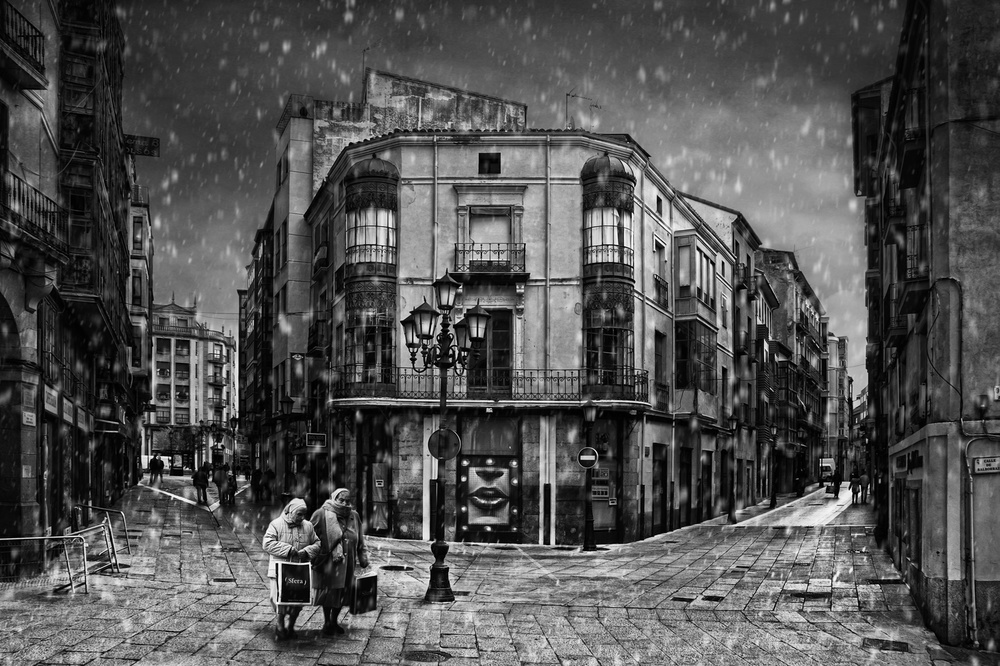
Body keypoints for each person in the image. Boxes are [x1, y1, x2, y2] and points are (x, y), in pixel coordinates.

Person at [310, 488, 369, 636]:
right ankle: (327, 622)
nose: (344, 503)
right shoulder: (321, 514)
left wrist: (363, 557)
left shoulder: (354, 515)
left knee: (343, 592)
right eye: (341, 500)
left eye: (347, 501)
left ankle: (334, 621)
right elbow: (309, 534)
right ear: (334, 498)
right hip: (329, 561)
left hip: (348, 562)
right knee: (329, 591)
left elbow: (360, 539)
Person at [263, 498, 320, 641]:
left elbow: (317, 543)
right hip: (280, 569)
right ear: (290, 511)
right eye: (299, 514)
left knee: (297, 600)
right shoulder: (276, 524)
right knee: (278, 598)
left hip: (299, 570)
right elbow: (267, 543)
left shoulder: (308, 526)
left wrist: (306, 551)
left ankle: (291, 626)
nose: (302, 517)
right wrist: (289, 550)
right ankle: (280, 625)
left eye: (304, 514)